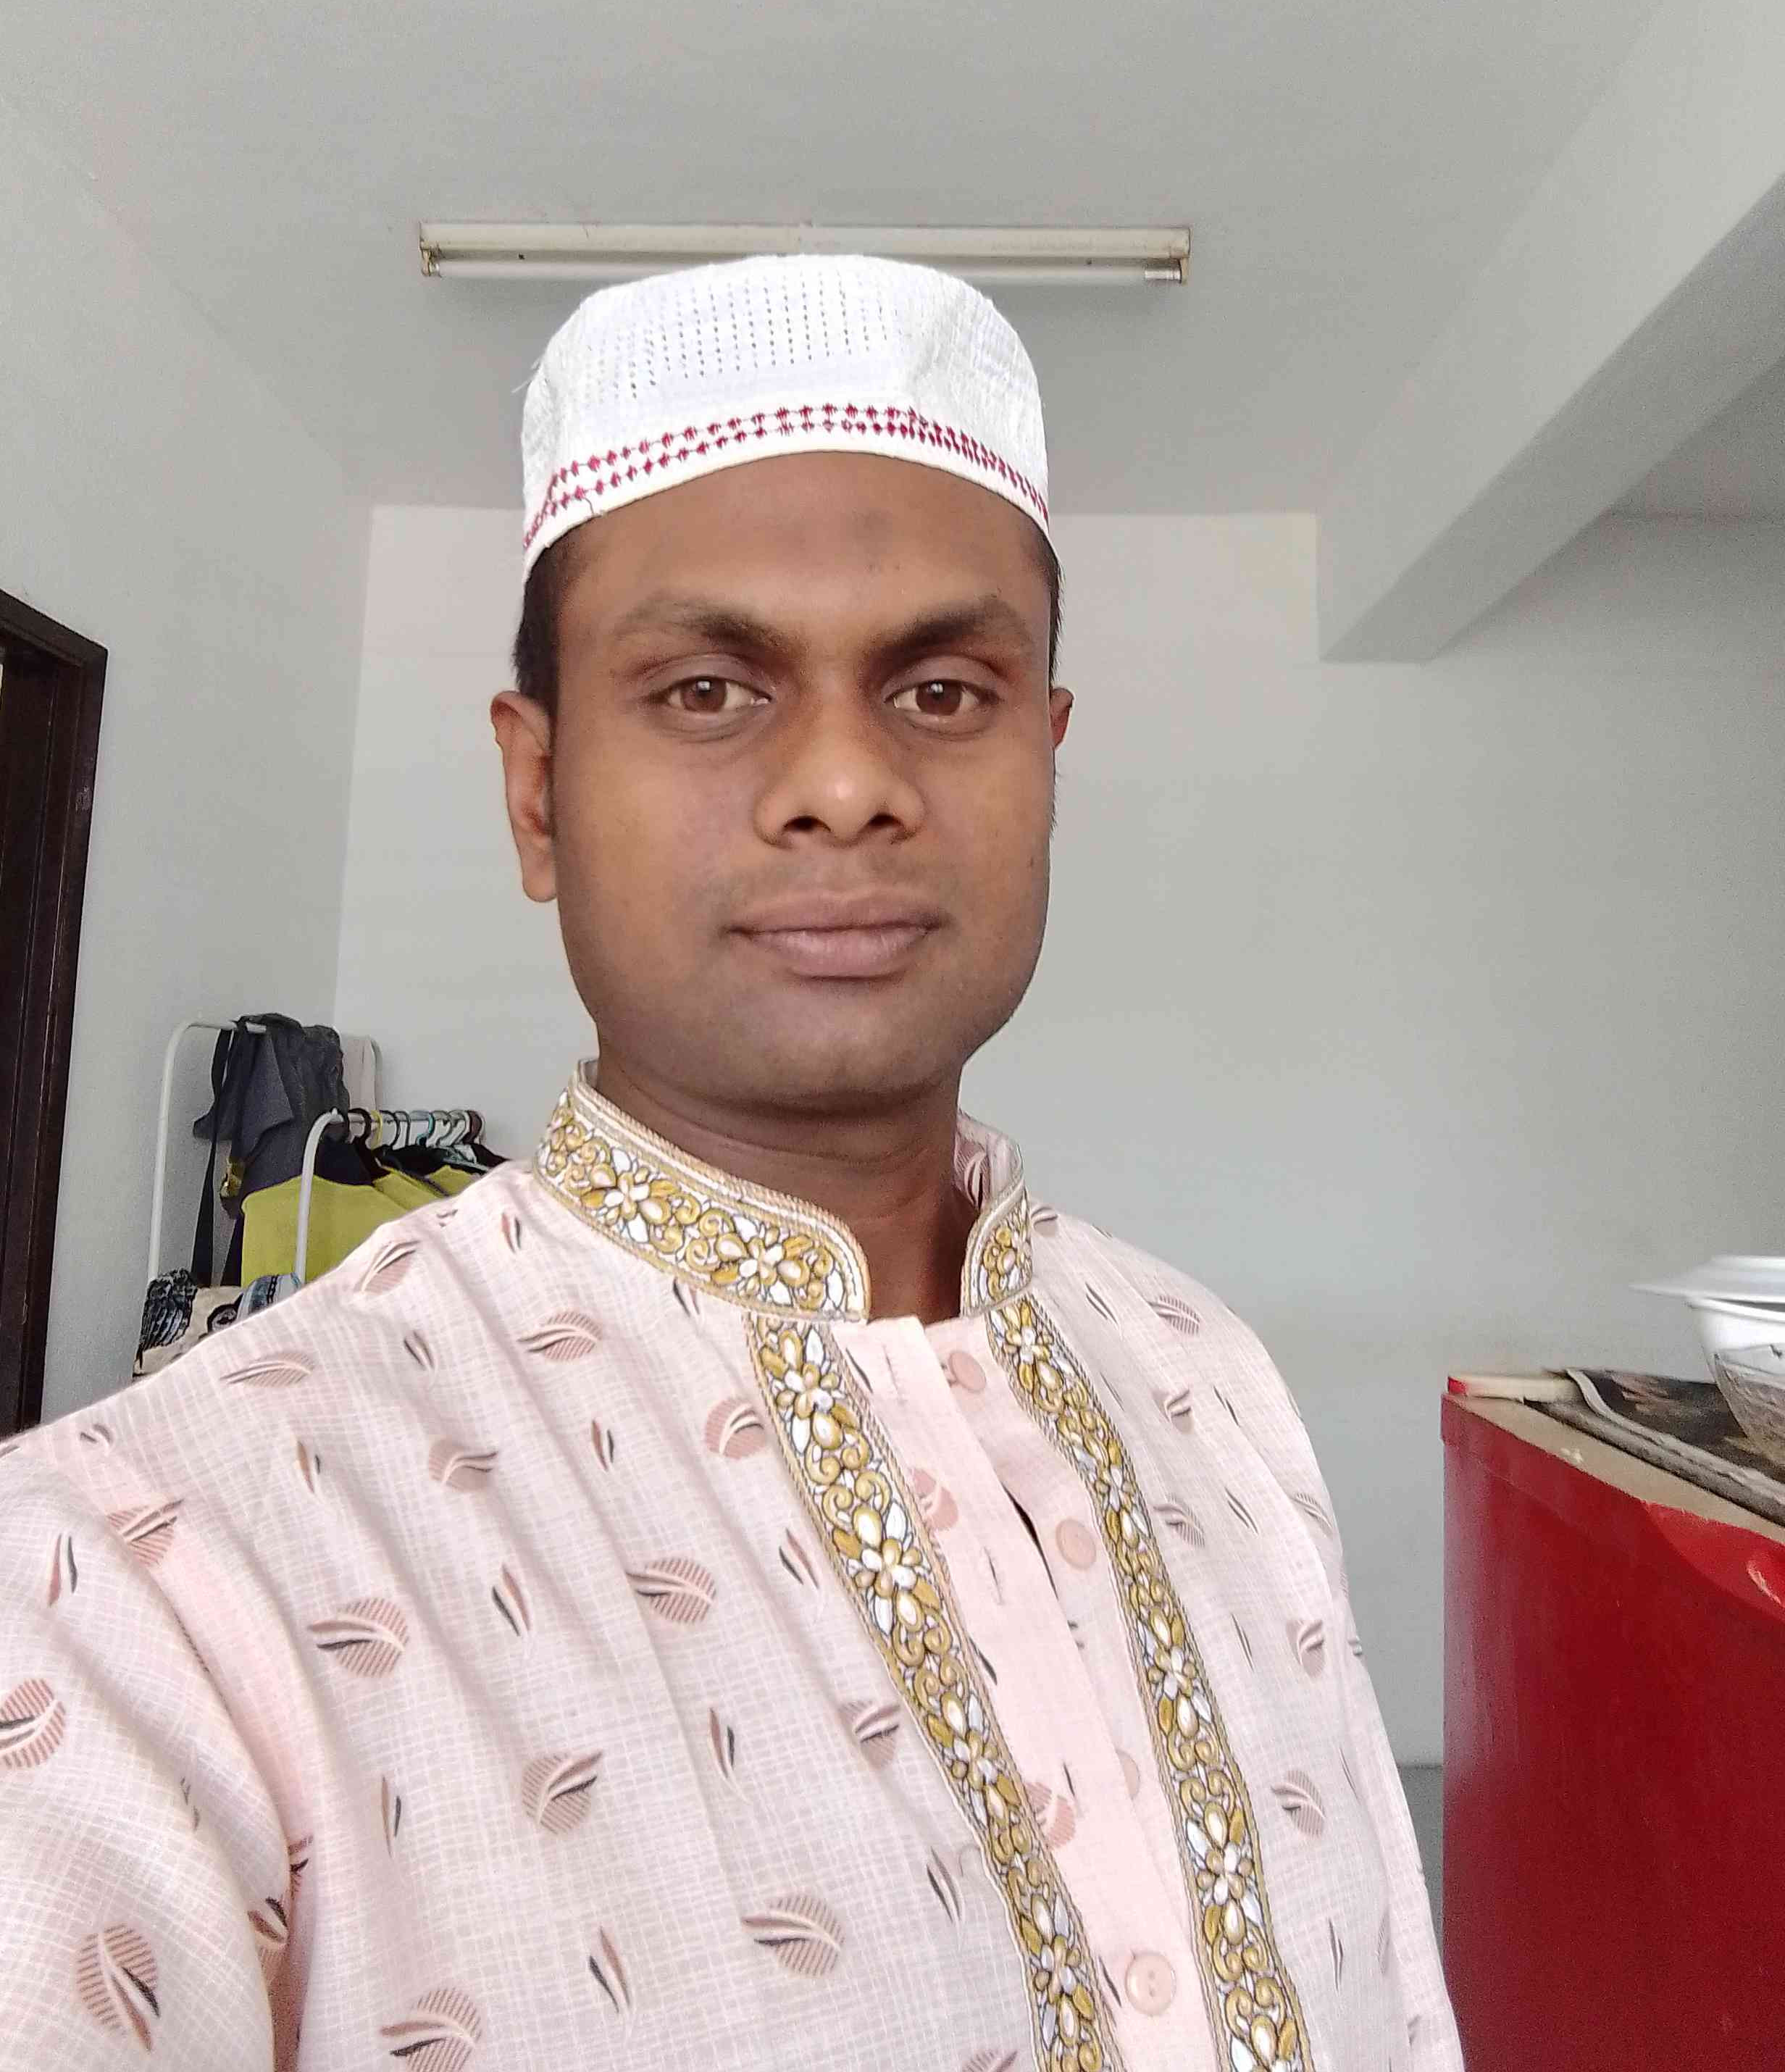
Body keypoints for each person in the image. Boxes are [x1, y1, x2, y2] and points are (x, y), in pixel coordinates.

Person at [0, 256, 1459, 2071]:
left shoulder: (1204, 1380)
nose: (844, 780)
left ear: (1047, 758)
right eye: (705, 688)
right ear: (536, 791)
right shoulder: (137, 1585)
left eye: (943, 689)